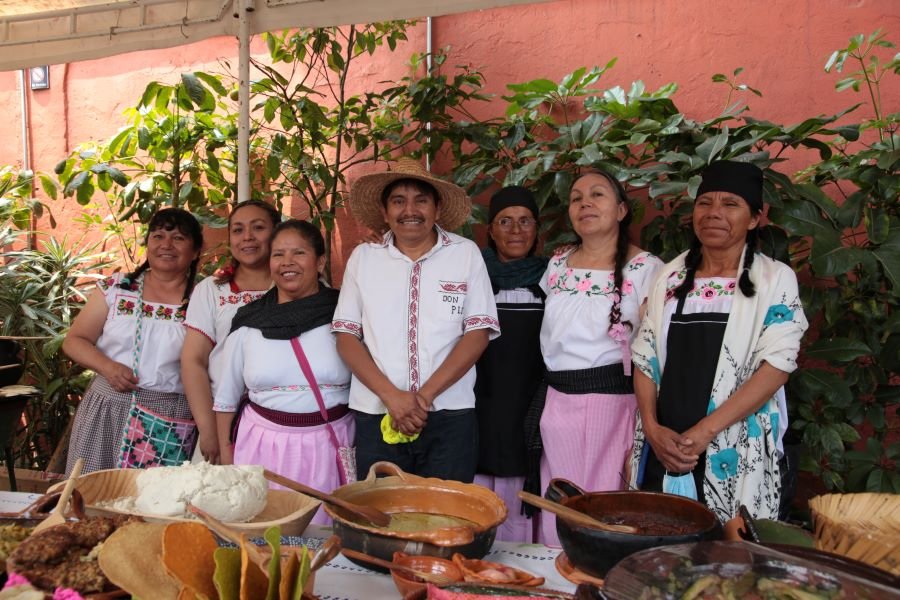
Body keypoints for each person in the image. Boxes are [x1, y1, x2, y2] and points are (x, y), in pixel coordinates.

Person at [630, 160, 808, 522]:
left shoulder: (775, 279)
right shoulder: (671, 275)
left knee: (729, 557)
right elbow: (644, 356)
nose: (714, 213)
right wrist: (651, 427)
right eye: (704, 202)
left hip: (732, 448)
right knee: (657, 549)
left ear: (756, 218)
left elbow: (777, 366)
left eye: (730, 204)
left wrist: (704, 432)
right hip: (664, 447)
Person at [333, 157, 499, 483]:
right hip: (377, 413)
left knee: (447, 517)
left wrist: (422, 399)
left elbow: (477, 332)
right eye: (398, 201)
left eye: (421, 200)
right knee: (382, 517)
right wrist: (393, 398)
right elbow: (346, 337)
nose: (410, 210)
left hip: (450, 415)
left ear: (436, 209)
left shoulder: (465, 254)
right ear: (384, 212)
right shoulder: (364, 259)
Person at [528, 170, 662, 546]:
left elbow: (654, 346)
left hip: (612, 405)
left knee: (604, 506)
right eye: (576, 197)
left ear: (621, 210)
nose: (585, 203)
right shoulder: (558, 264)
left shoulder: (646, 269)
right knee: (559, 502)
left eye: (597, 195)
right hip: (556, 403)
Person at [214, 220, 352, 523]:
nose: (287, 262)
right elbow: (226, 398)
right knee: (264, 535)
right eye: (278, 254)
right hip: (262, 449)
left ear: (320, 262)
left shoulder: (344, 314)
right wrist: (227, 458)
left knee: (327, 538)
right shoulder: (249, 322)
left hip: (330, 446)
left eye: (298, 253)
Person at [64, 208, 203, 475]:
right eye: (158, 236)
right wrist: (108, 367)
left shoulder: (204, 298)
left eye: (178, 238)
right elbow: (74, 341)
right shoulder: (117, 289)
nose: (166, 245)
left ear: (195, 251)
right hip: (108, 407)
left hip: (171, 419)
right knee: (93, 494)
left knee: (153, 505)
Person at [474, 186, 548, 543]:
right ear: (490, 230)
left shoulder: (555, 279)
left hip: (532, 404)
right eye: (505, 221)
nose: (515, 230)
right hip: (479, 403)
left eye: (524, 221)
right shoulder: (472, 277)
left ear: (537, 229)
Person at [181, 200, 279, 464]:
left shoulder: (299, 285)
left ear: (276, 232)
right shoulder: (213, 290)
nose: (247, 237)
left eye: (258, 228)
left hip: (284, 422)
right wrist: (208, 429)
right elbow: (193, 361)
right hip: (225, 419)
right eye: (237, 230)